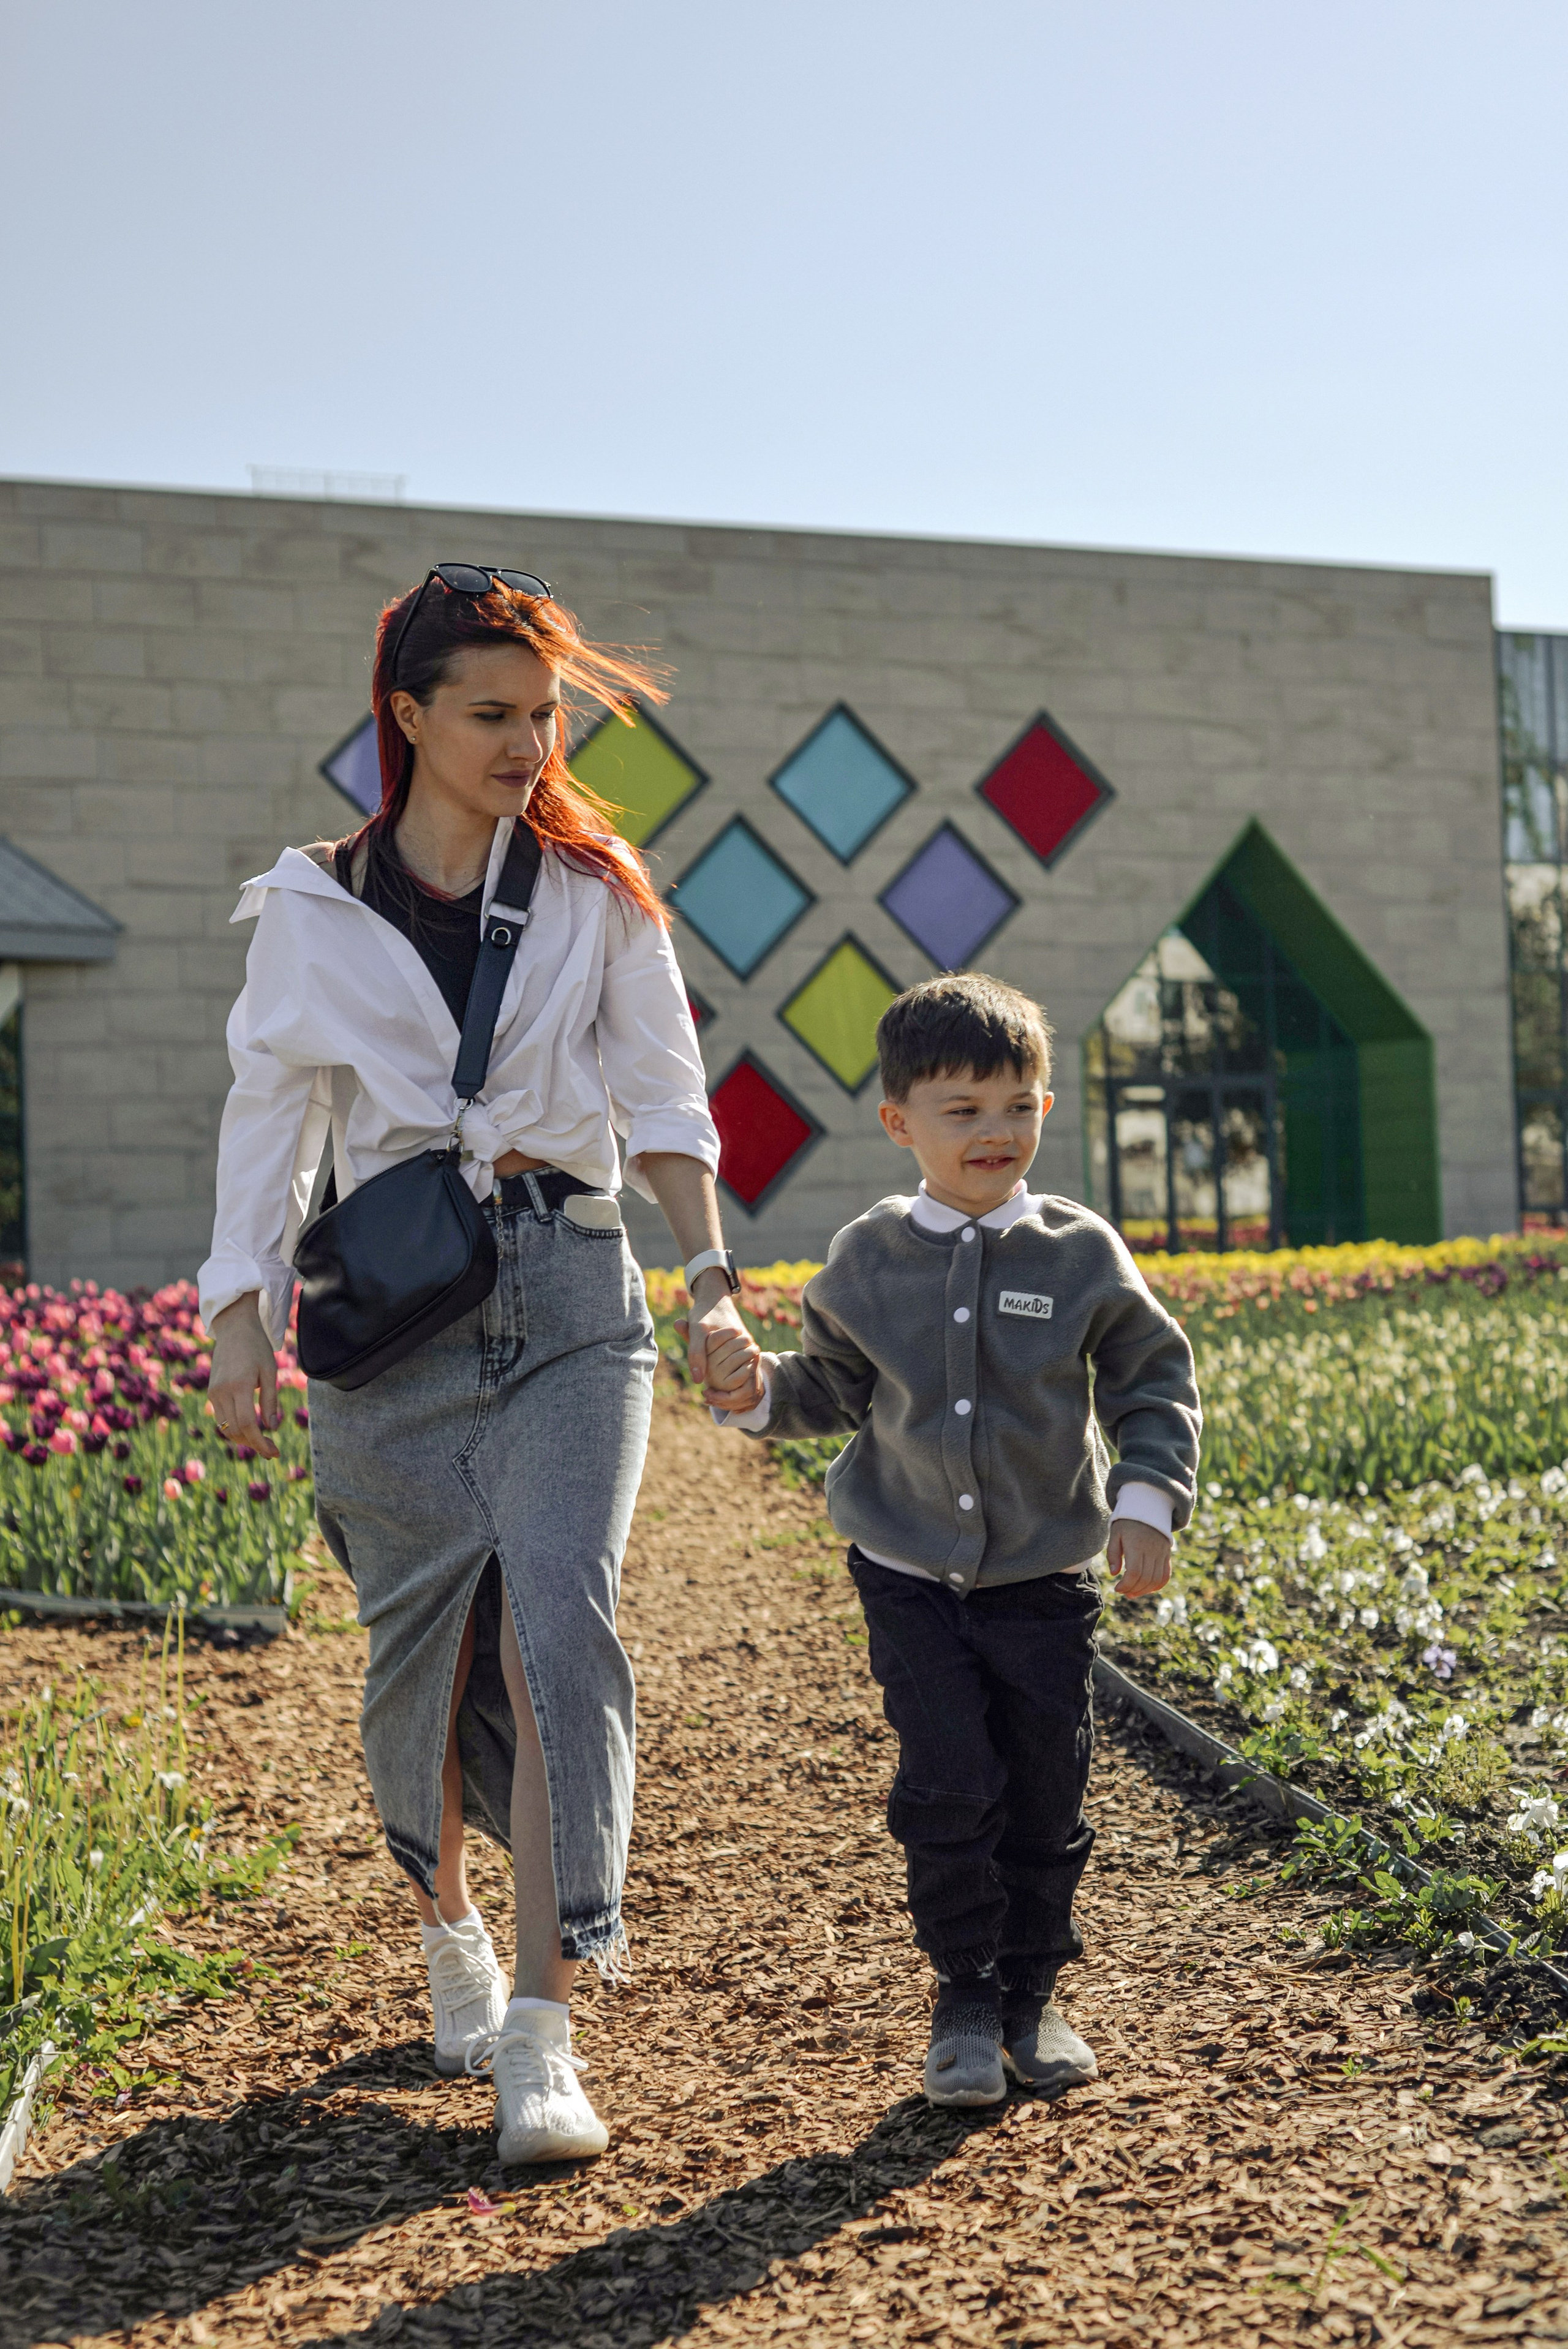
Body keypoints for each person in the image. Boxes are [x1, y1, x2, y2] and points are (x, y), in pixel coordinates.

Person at [200, 566, 760, 2164]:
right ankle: (448, 1925)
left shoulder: (596, 886)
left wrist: (713, 1281)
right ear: (410, 717)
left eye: (547, 713)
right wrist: (238, 1305)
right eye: (495, 714)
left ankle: (544, 2029)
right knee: (424, 1662)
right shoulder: (311, 906)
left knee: (559, 1624)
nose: (533, 742)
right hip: (390, 1315)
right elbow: (272, 1114)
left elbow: (665, 1103)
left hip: (573, 1286)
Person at [707, 972, 1200, 2105]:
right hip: (908, 1578)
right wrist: (752, 1394)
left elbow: (1150, 1379)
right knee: (949, 1781)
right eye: (963, 1110)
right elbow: (828, 1388)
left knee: (1044, 1784)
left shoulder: (1080, 1254)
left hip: (1044, 1581)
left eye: (1019, 1105)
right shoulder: (867, 1259)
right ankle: (967, 1991)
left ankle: (1035, 1991)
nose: (996, 1132)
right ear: (899, 1123)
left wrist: (1144, 1500)